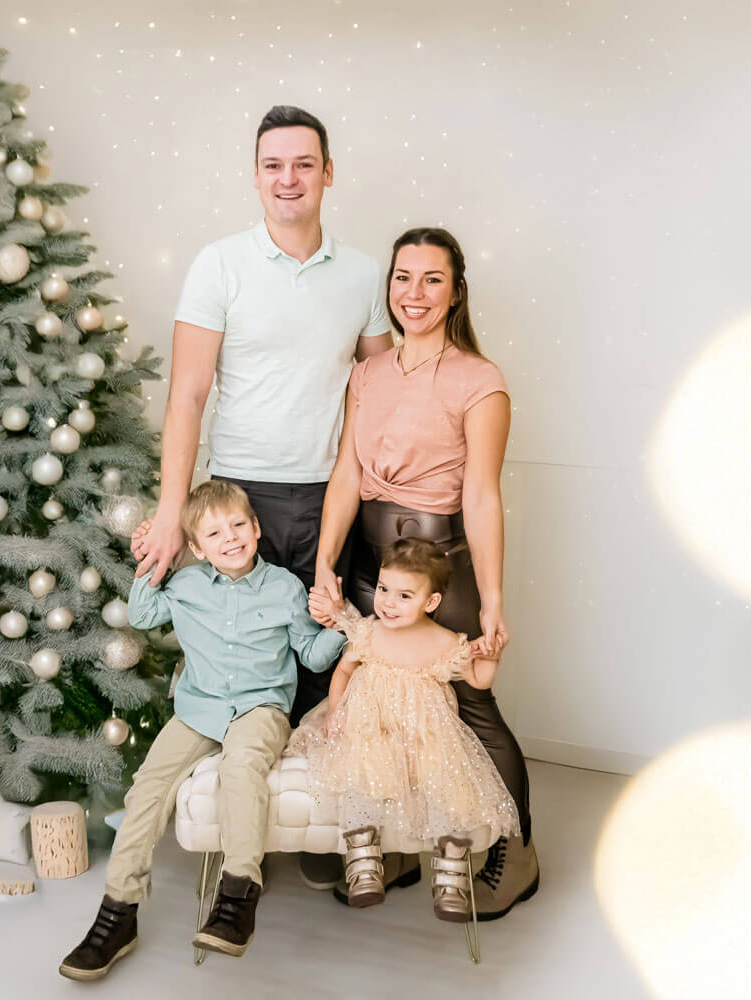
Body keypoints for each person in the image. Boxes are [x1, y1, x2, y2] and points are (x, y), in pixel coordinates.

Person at [131, 104, 393, 891]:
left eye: (304, 163)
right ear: (255, 175)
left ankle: (313, 826)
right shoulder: (218, 265)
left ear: (328, 173)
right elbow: (187, 395)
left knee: (320, 654)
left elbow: (377, 393)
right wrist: (174, 515)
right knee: (242, 648)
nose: (289, 179)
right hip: (237, 492)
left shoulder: (361, 275)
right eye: (273, 165)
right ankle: (244, 828)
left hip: (330, 495)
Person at [310, 227, 539, 920]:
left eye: (432, 279)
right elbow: (347, 472)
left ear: (456, 290)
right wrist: (325, 563)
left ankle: (517, 851)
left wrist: (493, 598)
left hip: (442, 559)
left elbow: (482, 494)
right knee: (374, 700)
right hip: (368, 563)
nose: (415, 293)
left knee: (468, 701)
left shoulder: (480, 380)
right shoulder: (368, 373)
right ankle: (400, 846)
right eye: (403, 278)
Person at [58, 481, 346, 982]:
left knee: (242, 767)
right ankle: (117, 914)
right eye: (214, 533)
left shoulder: (284, 587)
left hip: (261, 708)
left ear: (255, 528)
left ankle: (237, 898)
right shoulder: (187, 585)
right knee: (148, 788)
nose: (230, 538)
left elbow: (311, 654)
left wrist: (340, 624)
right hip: (199, 709)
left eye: (238, 525)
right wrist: (153, 557)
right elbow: (142, 614)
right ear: (196, 547)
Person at [293, 538, 520, 920]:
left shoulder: (444, 642)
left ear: (430, 602)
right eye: (383, 589)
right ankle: (364, 861)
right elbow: (344, 671)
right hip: (371, 729)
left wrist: (493, 656)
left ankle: (449, 875)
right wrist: (336, 711)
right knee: (358, 779)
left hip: (424, 735)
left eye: (403, 595)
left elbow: (478, 679)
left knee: (451, 786)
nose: (387, 603)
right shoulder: (369, 632)